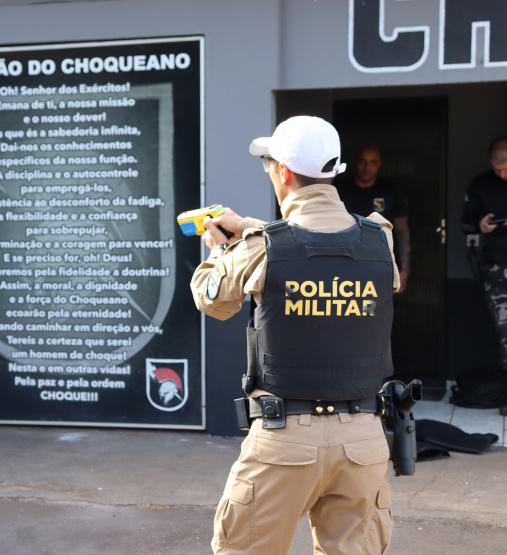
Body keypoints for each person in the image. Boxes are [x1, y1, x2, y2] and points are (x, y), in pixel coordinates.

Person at [191, 116, 399, 554]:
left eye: (269, 164)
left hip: (284, 442)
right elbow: (323, 240)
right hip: (363, 442)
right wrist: (249, 227)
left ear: (283, 171)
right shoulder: (380, 239)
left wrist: (220, 250)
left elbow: (214, 301)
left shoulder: (256, 248)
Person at [334, 145, 411, 292]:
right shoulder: (339, 190)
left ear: (379, 164)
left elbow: (402, 232)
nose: (367, 167)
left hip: (379, 264)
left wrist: (405, 270)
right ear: (355, 162)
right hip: (342, 263)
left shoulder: (390, 191)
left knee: (378, 309)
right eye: (363, 161)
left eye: (372, 162)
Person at [460, 137, 507, 369]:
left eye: (506, 169)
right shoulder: (482, 185)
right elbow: (465, 223)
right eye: (498, 169)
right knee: (505, 332)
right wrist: (481, 226)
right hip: (496, 269)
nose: (502, 175)